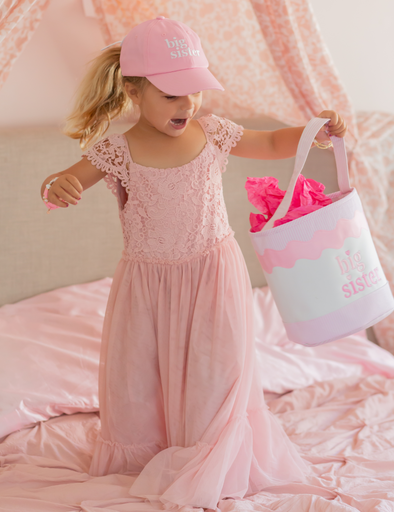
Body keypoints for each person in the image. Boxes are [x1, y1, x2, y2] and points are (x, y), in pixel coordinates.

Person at [40, 16, 347, 511]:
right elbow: (61, 179)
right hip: (147, 286)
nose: (187, 105)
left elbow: (268, 143)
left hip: (213, 275)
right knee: (139, 378)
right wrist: (57, 186)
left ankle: (211, 459)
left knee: (213, 374)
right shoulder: (116, 151)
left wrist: (313, 132)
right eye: (171, 95)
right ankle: (152, 457)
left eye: (194, 92)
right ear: (135, 90)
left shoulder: (214, 132)